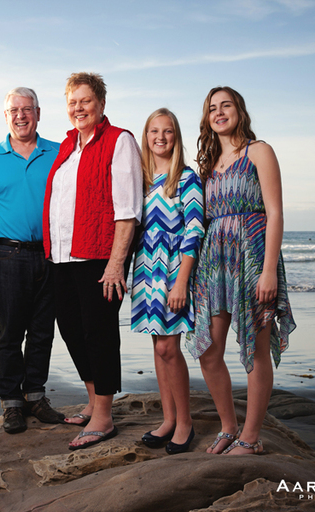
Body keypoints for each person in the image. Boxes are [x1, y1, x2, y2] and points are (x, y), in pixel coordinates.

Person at [189, 86, 296, 454]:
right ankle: (228, 426)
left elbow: (276, 212)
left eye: (226, 106)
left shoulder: (259, 151)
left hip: (252, 258)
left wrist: (268, 271)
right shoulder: (208, 165)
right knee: (209, 351)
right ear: (207, 118)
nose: (219, 113)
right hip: (214, 262)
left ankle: (251, 438)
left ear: (240, 111)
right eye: (212, 108)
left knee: (255, 350)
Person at [42, 72, 142, 450]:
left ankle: (104, 416)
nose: (78, 108)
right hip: (63, 256)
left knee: (98, 332)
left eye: (85, 101)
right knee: (70, 328)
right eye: (72, 102)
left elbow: (128, 210)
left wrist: (116, 264)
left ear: (101, 104)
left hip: (99, 256)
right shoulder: (68, 146)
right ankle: (93, 399)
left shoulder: (120, 141)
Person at [0, 87, 64, 434]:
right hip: (9, 254)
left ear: (38, 114)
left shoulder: (57, 153)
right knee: (10, 331)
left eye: (27, 109)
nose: (21, 115)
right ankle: (12, 402)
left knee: (43, 330)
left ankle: (36, 395)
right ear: (6, 115)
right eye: (14, 110)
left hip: (51, 254)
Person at [130, 108, 204, 454]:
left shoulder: (187, 178)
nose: (160, 137)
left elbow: (195, 229)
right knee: (157, 348)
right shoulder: (140, 179)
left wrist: (182, 282)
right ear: (146, 137)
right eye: (153, 131)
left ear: (176, 137)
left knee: (169, 347)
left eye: (168, 131)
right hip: (146, 269)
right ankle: (168, 419)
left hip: (174, 268)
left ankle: (185, 422)